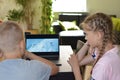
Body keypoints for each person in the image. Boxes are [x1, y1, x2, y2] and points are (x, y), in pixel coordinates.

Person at [68, 12, 120, 80]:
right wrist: (88, 43)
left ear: (98, 35)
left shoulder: (103, 64)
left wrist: (76, 70)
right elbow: (77, 61)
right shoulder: (108, 50)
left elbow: (76, 64)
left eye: (87, 34)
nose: (85, 38)